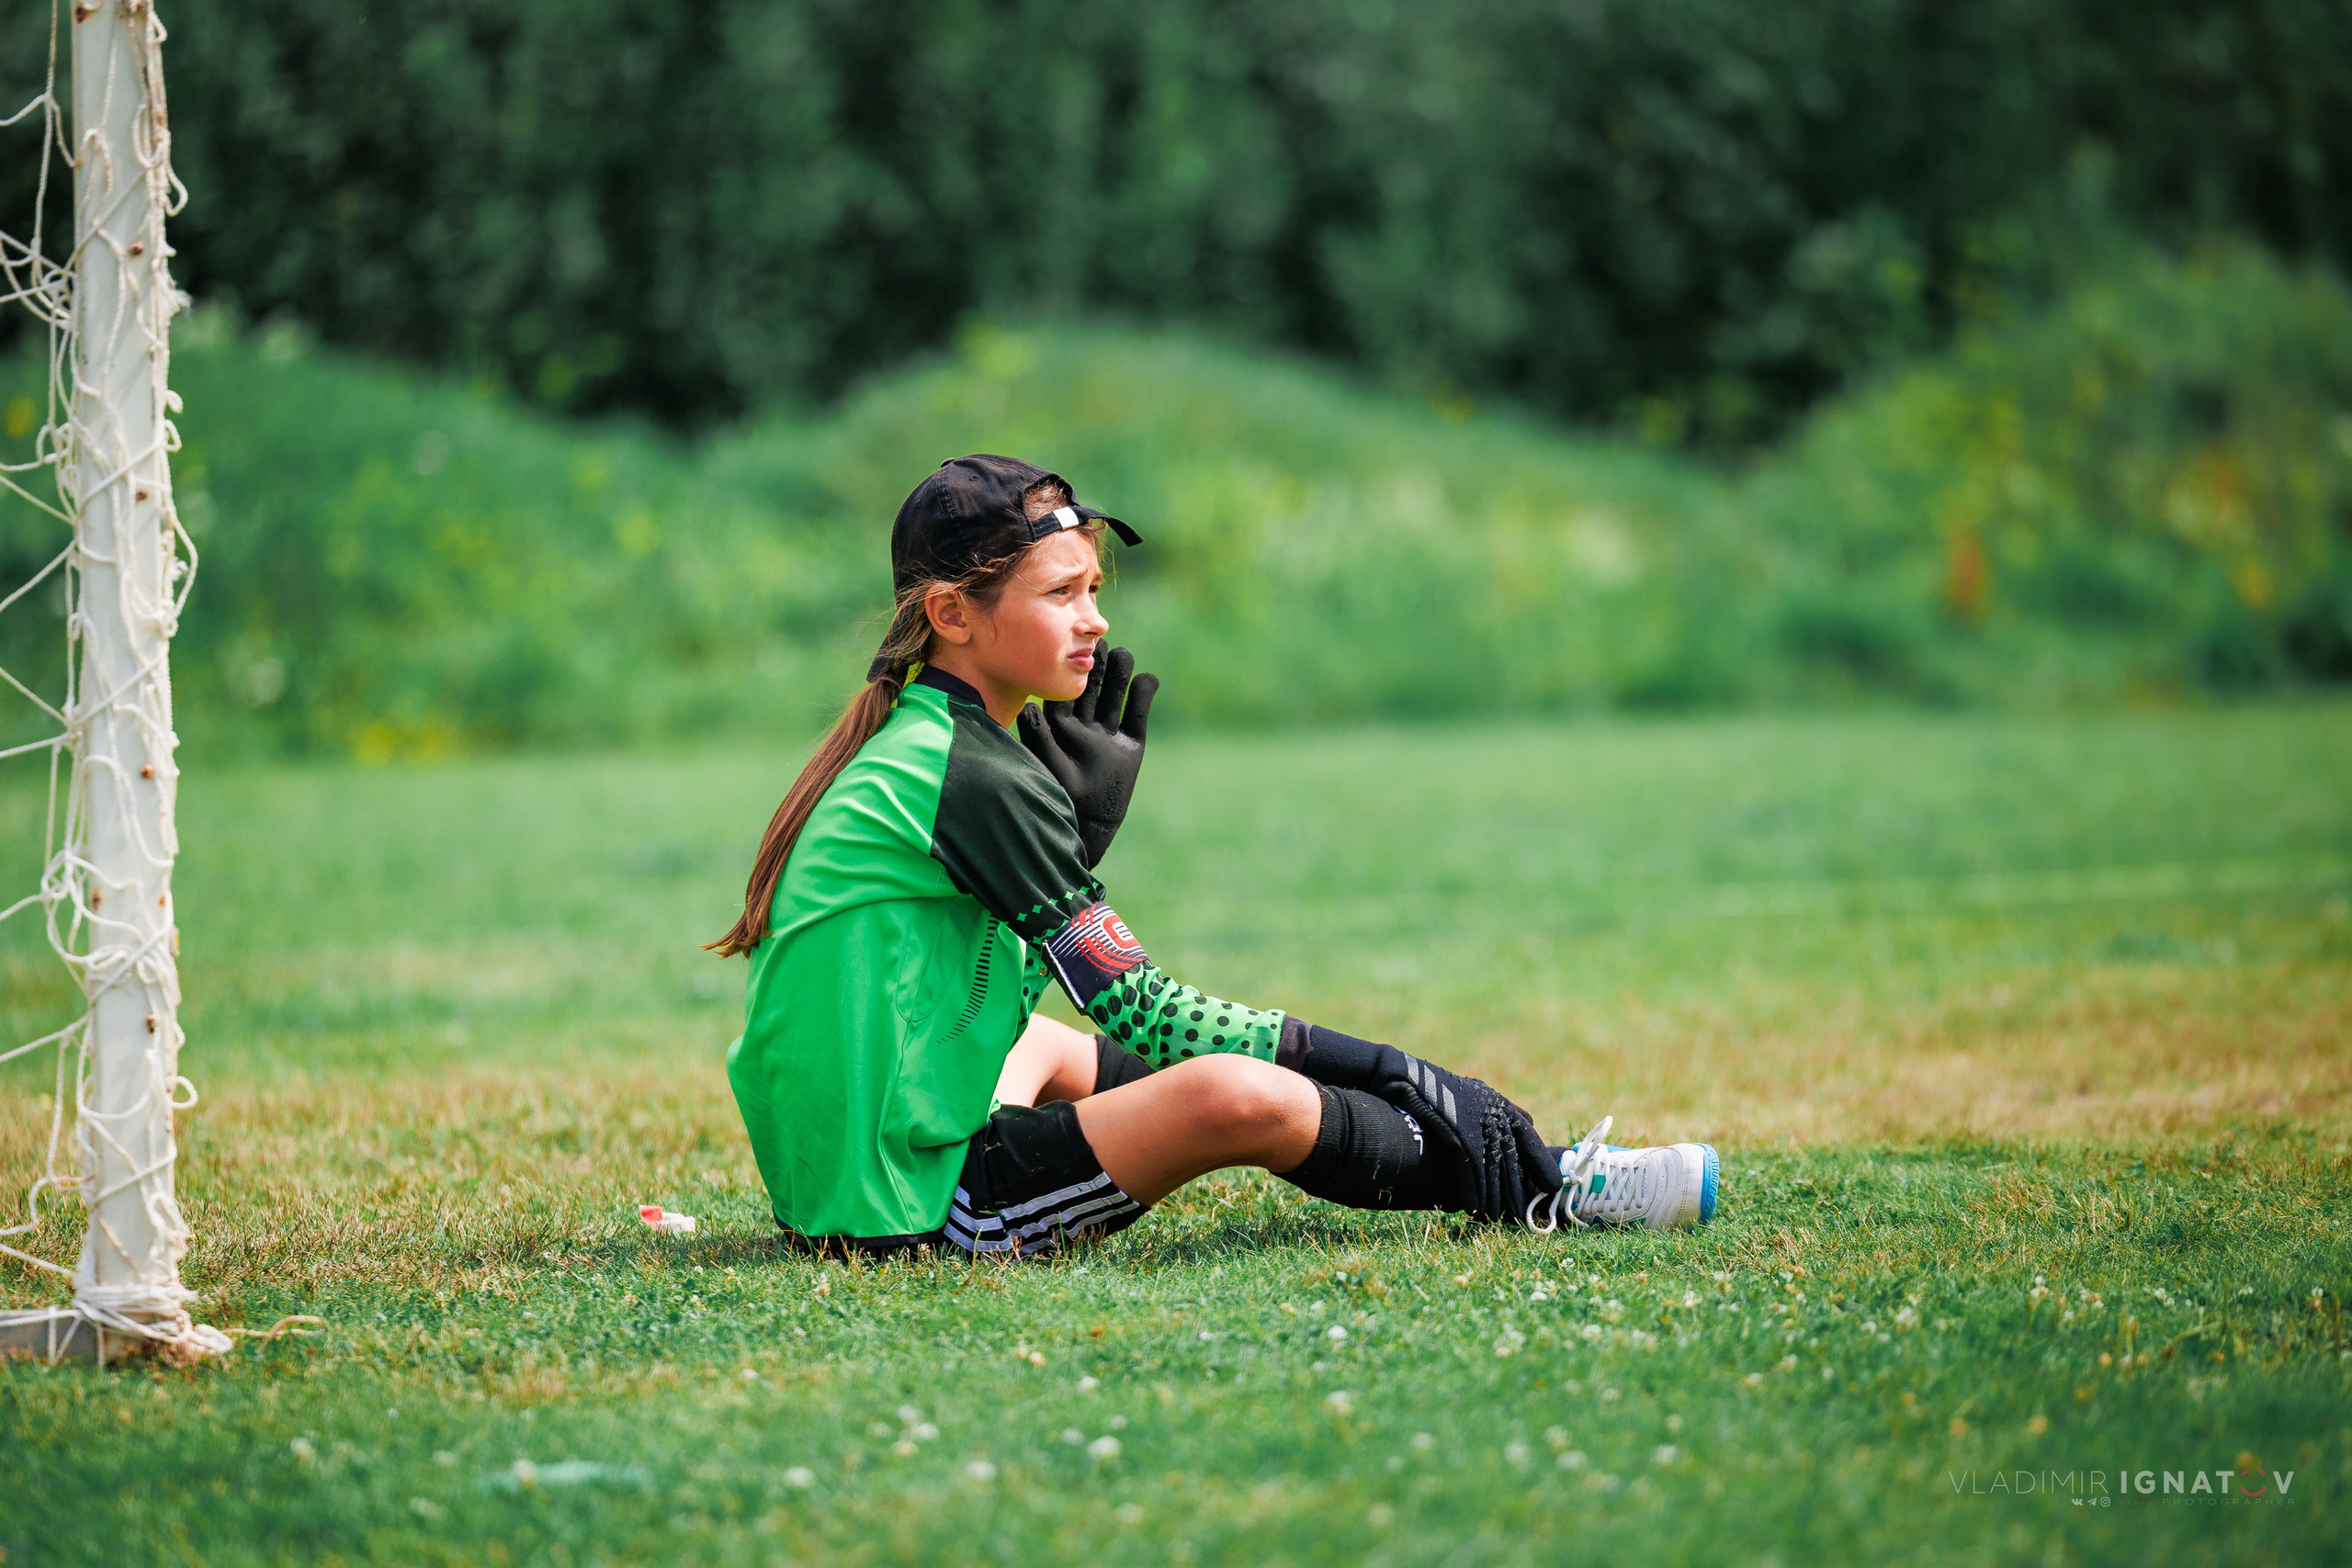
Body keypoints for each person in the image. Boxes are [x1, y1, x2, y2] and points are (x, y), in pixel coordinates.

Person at [711, 455, 1718, 1258]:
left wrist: (1075, 840)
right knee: (1232, 1094)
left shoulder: (936, 742)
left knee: (1051, 1052)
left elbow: (969, 996)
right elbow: (1143, 1008)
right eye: (1061, 593)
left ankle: (1496, 1155)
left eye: (1095, 588)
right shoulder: (968, 773)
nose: (1095, 621)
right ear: (951, 615)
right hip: (913, 1217)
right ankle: (1544, 1185)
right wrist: (1385, 1067)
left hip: (847, 1178)